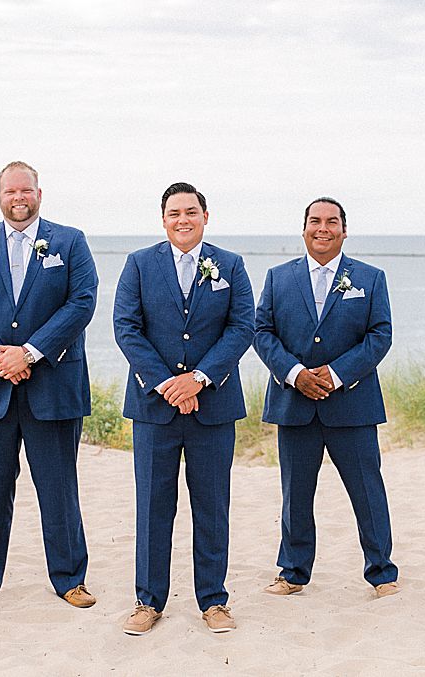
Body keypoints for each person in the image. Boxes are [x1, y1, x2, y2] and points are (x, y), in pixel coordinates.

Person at [0, 161, 98, 607]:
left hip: (52, 387)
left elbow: (82, 302)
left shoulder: (70, 241)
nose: (18, 198)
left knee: (58, 487)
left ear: (39, 193)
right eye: (10, 191)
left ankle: (70, 579)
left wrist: (29, 352)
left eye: (25, 190)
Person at [113, 182, 255, 635]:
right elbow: (126, 328)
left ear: (205, 217)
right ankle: (148, 601)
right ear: (163, 219)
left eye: (191, 212)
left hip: (212, 407)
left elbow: (242, 327)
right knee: (153, 507)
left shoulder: (230, 265)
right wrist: (167, 384)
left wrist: (198, 379)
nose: (182, 220)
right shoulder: (138, 264)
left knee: (212, 506)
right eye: (174, 213)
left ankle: (213, 601)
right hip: (154, 409)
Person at [253, 197, 399, 598]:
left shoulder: (370, 277)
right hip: (294, 403)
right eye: (315, 221)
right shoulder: (278, 277)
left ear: (344, 230)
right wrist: (295, 374)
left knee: (368, 490)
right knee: (295, 494)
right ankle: (293, 571)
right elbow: (261, 332)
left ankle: (382, 571)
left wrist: (336, 375)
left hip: (352, 405)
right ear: (303, 229)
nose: (323, 228)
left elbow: (380, 335)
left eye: (331, 222)